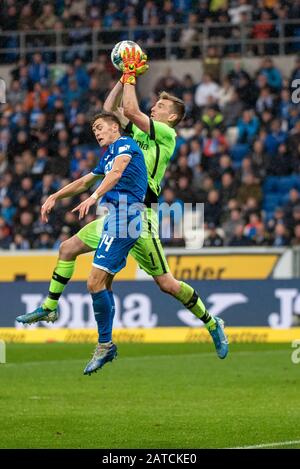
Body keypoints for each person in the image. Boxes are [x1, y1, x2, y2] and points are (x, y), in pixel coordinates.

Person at [17, 48, 228, 360]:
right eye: (154, 104)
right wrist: (123, 77)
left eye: (160, 106)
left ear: (171, 116)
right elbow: (110, 109)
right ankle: (50, 309)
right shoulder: (132, 136)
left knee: (167, 284)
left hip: (140, 217)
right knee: (68, 248)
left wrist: (131, 74)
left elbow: (129, 110)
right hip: (117, 213)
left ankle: (212, 322)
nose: (154, 108)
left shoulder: (166, 134)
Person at [17, 111, 148, 375]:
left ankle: (105, 345)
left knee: (94, 282)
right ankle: (50, 308)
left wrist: (94, 196)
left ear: (115, 127)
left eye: (100, 127)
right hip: (112, 217)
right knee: (67, 248)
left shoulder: (125, 145)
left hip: (127, 218)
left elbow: (117, 174)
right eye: (94, 130)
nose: (97, 133)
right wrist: (55, 195)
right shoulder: (108, 154)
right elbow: (85, 180)